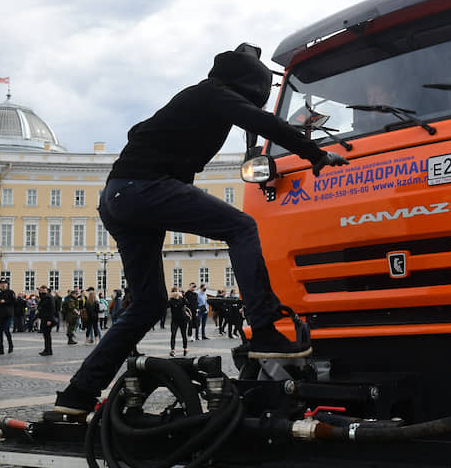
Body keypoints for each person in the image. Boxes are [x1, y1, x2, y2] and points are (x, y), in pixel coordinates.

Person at [51, 44, 349, 416]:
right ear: (250, 86)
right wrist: (315, 154)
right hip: (145, 189)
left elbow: (136, 130)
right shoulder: (215, 94)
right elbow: (265, 123)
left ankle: (78, 394)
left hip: (117, 197)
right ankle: (265, 330)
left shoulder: (198, 97)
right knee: (241, 226)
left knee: (148, 304)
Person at [0, 280, 16, 354]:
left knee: (6, 330)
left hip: (8, 314)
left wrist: (5, 301)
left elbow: (13, 301)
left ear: (7, 285)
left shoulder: (10, 292)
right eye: (2, 284)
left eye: (5, 284)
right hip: (0, 315)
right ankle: (1, 349)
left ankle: (10, 346)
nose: (3, 285)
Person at [167, 287, 189, 357]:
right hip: (174, 320)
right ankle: (172, 350)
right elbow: (166, 306)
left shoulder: (181, 299)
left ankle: (185, 349)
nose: (176, 293)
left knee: (184, 335)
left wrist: (182, 296)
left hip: (183, 319)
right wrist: (169, 298)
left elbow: (187, 303)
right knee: (173, 334)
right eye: (174, 292)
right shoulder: (171, 300)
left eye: (177, 291)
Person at [36, 285, 55, 356]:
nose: (42, 291)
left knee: (47, 335)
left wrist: (50, 319)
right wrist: (39, 292)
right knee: (45, 335)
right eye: (41, 290)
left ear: (46, 290)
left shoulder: (49, 297)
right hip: (44, 318)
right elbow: (41, 298)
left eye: (43, 290)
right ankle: (47, 349)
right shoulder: (45, 297)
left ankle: (48, 350)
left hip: (48, 319)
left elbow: (52, 309)